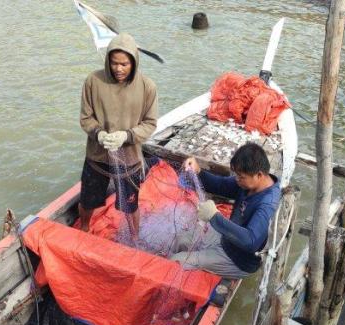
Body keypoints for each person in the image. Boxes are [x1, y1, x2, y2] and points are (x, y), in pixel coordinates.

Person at [78, 32, 158, 239]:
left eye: (124, 64)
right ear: (108, 61)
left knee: (130, 204)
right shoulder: (93, 81)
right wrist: (99, 133)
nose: (118, 69)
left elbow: (150, 124)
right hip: (97, 155)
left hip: (129, 157)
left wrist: (127, 136)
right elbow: (86, 118)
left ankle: (134, 237)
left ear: (134, 63)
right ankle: (84, 228)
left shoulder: (147, 87)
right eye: (114, 63)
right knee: (87, 199)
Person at [172, 142, 281, 279]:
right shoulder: (248, 183)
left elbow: (251, 241)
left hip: (239, 260)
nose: (237, 180)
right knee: (180, 240)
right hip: (226, 238)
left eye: (241, 177)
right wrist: (198, 170)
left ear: (259, 175)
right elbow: (221, 185)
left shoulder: (267, 204)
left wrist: (214, 216)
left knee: (176, 260)